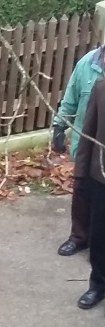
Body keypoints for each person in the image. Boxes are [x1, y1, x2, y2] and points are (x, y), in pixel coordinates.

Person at [53, 45, 104, 259]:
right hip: (85, 143)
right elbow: (71, 97)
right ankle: (79, 237)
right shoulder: (88, 63)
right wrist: (59, 125)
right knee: (82, 190)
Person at [72, 78, 105, 315]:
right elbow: (88, 131)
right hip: (100, 177)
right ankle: (98, 284)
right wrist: (81, 175)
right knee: (99, 236)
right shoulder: (101, 87)